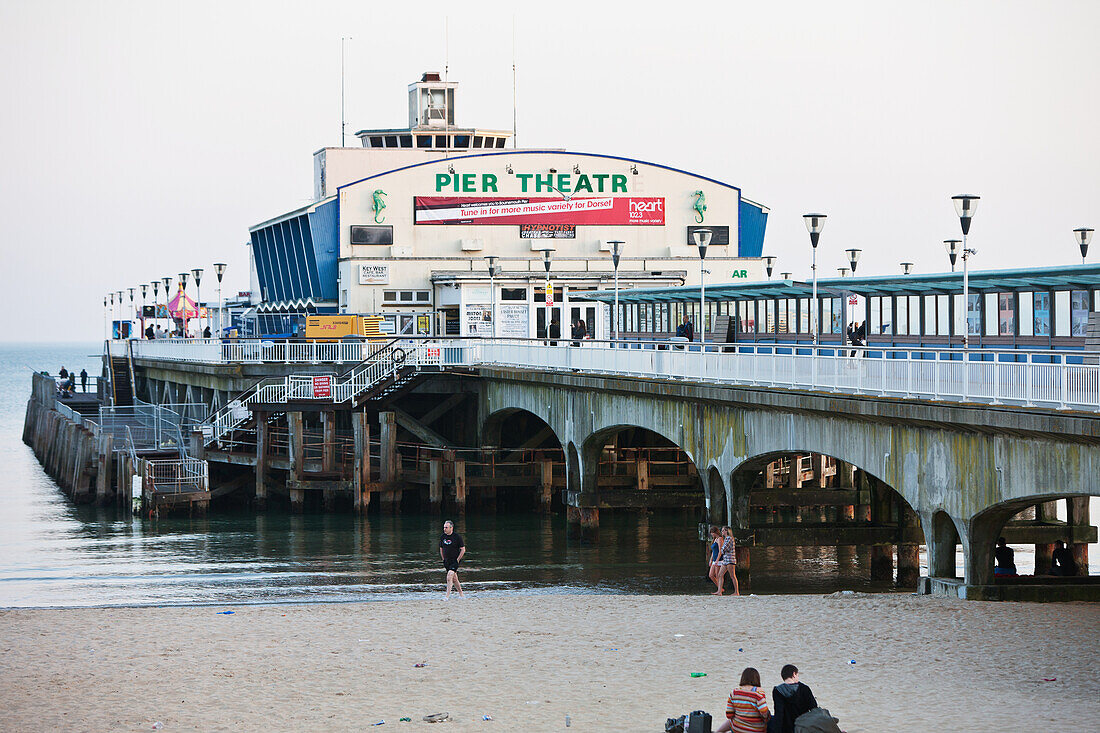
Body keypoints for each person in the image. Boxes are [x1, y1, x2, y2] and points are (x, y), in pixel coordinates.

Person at [717, 667, 770, 733]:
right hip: (756, 730)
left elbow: (729, 715)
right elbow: (765, 714)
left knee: (732, 720)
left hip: (737, 729)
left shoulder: (734, 693)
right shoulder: (758, 694)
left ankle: (717, 732)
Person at [769, 664, 817, 733]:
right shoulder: (804, 688)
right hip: (803, 728)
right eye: (797, 675)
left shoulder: (777, 691)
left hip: (786, 729)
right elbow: (814, 709)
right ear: (794, 674)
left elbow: (779, 714)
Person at [439, 520, 465, 599]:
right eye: (444, 527)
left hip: (455, 560)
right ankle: (461, 594)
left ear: (451, 528)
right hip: (447, 561)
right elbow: (441, 548)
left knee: (449, 576)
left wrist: (458, 559)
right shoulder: (442, 537)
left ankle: (447, 596)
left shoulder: (457, 537)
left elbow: (463, 549)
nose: (444, 529)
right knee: (454, 579)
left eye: (446, 527)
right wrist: (443, 559)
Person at [718, 526, 740, 596]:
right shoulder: (726, 539)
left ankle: (736, 592)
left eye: (723, 530)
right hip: (725, 559)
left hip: (730, 559)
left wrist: (722, 549)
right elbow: (723, 549)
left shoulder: (729, 539)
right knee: (720, 574)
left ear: (727, 531)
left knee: (732, 575)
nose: (722, 532)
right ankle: (719, 591)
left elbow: (724, 549)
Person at [707, 526, 724, 594]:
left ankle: (719, 591)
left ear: (715, 532)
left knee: (718, 575)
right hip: (714, 559)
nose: (711, 534)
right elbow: (713, 551)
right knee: (711, 575)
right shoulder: (715, 539)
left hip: (719, 559)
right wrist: (711, 560)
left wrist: (717, 560)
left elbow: (720, 551)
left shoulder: (720, 539)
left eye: (712, 533)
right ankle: (720, 588)